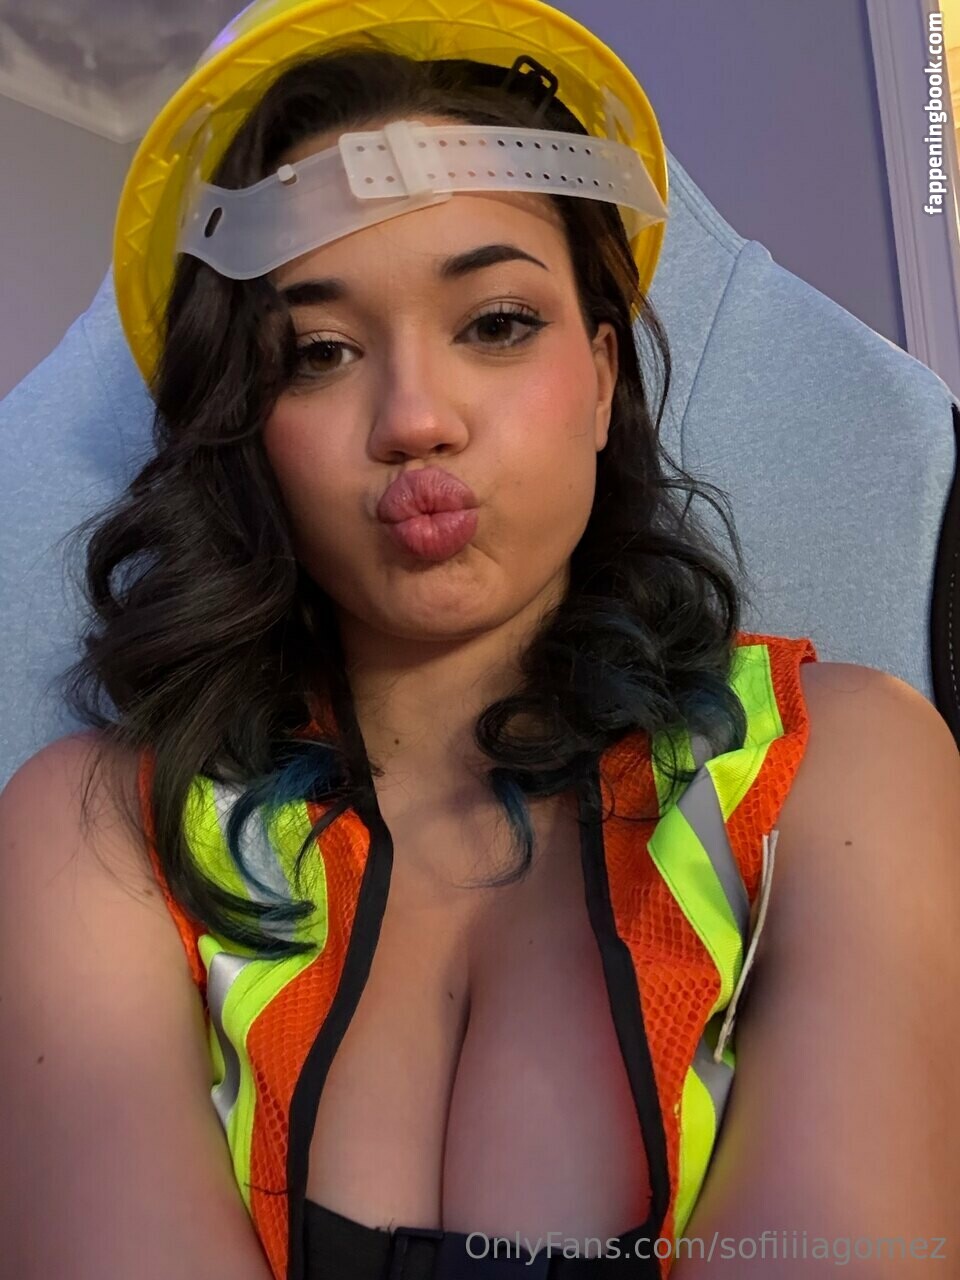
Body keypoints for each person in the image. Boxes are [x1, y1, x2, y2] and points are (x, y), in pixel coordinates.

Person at [1, 2, 958, 1278]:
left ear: (604, 378)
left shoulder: (844, 769)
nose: (415, 416)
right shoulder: (99, 833)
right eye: (319, 352)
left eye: (496, 322)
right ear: (247, 430)